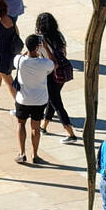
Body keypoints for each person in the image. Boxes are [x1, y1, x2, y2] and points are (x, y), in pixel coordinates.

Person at [34, 12, 78, 141]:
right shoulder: (59, 36)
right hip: (61, 73)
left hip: (49, 73)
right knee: (52, 99)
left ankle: (70, 133)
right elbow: (64, 52)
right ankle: (44, 126)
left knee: (56, 102)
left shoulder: (40, 40)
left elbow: (39, 56)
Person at [12, 34, 55, 165]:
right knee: (35, 128)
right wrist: (46, 49)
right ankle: (35, 155)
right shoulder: (44, 63)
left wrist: (30, 50)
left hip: (23, 99)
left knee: (21, 124)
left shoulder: (19, 60)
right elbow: (53, 64)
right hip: (39, 101)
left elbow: (23, 56)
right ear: (37, 47)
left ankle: (21, 153)